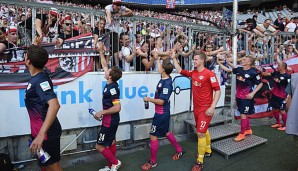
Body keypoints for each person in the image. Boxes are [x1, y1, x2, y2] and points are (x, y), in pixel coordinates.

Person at [172, 51, 221, 171]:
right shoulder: (193, 73)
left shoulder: (210, 74)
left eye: (196, 59)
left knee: (200, 133)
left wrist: (212, 106)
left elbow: (218, 91)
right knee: (203, 130)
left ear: (202, 61)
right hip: (196, 108)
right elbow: (180, 71)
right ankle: (208, 150)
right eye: (193, 59)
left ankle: (200, 161)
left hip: (206, 108)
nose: (194, 61)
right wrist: (173, 58)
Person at [141, 54, 184, 170]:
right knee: (166, 132)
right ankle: (179, 150)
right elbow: (160, 67)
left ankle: (153, 162)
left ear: (163, 70)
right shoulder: (164, 77)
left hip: (161, 114)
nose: (158, 67)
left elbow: (161, 102)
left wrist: (149, 99)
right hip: (161, 113)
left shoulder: (167, 83)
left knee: (153, 136)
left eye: (160, 66)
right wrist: (157, 58)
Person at [24, 41, 63, 171]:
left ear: (28, 61)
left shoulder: (40, 80)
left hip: (47, 133)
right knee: (44, 165)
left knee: (53, 166)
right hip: (39, 131)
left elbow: (54, 105)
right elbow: (38, 57)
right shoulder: (38, 74)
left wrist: (41, 134)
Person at [91, 42, 122, 171]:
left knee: (100, 146)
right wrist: (101, 52)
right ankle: (111, 167)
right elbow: (104, 64)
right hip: (110, 120)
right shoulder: (110, 82)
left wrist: (101, 112)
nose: (106, 70)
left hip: (110, 121)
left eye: (108, 71)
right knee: (112, 142)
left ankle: (115, 163)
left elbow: (117, 108)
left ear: (109, 76)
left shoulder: (113, 89)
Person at [217, 55, 263, 142]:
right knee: (244, 114)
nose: (242, 60)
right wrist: (219, 63)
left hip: (246, 98)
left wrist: (252, 93)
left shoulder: (253, 72)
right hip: (238, 96)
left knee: (243, 114)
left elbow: (260, 84)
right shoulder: (240, 69)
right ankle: (248, 129)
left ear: (248, 63)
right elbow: (228, 69)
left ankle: (242, 134)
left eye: (244, 59)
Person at [262, 62, 291, 131]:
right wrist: (259, 69)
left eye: (279, 66)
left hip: (282, 96)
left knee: (282, 110)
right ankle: (278, 123)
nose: (277, 67)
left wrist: (287, 97)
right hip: (275, 95)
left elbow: (290, 86)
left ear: (283, 67)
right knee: (274, 109)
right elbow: (265, 74)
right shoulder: (276, 73)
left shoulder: (287, 76)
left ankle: (286, 126)